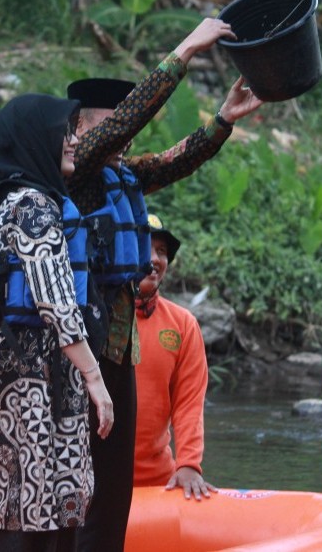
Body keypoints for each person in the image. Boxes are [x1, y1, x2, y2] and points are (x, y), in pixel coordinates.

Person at [65, 17, 264, 551]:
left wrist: (221, 121)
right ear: (81, 130)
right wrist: (185, 50)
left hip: (119, 346)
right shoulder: (73, 171)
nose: (123, 136)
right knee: (75, 479)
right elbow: (126, 121)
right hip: (74, 347)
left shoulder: (122, 173)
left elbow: (177, 160)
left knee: (113, 489)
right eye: (112, 125)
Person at [0, 93, 113, 552]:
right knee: (25, 500)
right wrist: (95, 379)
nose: (71, 142)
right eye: (61, 133)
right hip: (24, 369)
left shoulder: (5, 197)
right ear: (32, 141)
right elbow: (56, 303)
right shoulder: (33, 206)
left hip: (15, 360)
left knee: (5, 497)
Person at [133, 214, 215, 500]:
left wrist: (189, 463)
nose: (154, 259)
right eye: (144, 247)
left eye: (162, 252)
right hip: (94, 478)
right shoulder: (94, 316)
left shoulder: (183, 323)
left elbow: (189, 402)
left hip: (159, 482)